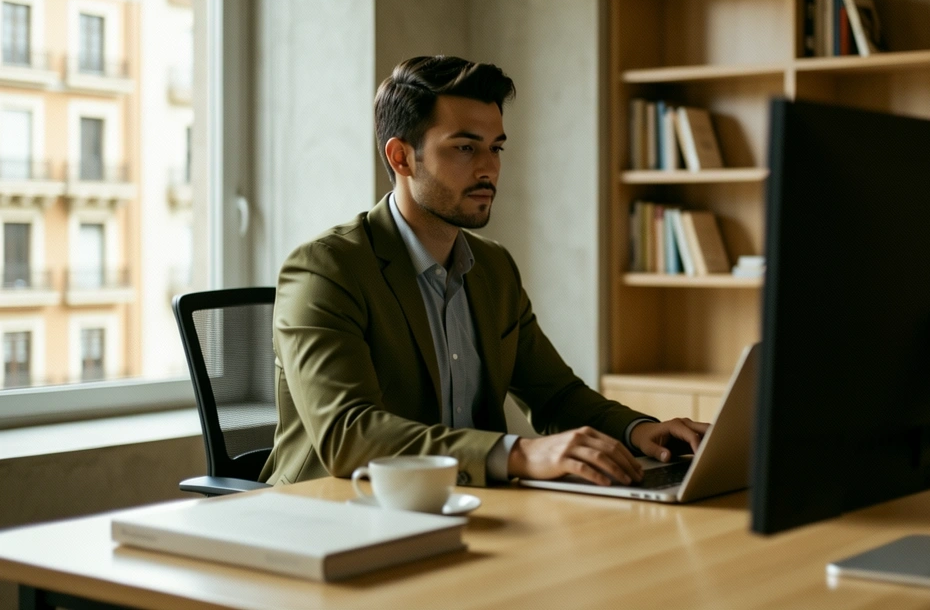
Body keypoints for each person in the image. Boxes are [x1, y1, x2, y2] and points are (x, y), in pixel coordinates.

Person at [260, 55, 709, 488]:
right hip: (330, 511)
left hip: (461, 505)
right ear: (401, 157)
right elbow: (348, 435)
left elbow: (554, 395)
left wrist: (638, 431)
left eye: (496, 148)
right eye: (465, 148)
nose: (489, 168)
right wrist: (519, 454)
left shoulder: (493, 268)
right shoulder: (326, 270)